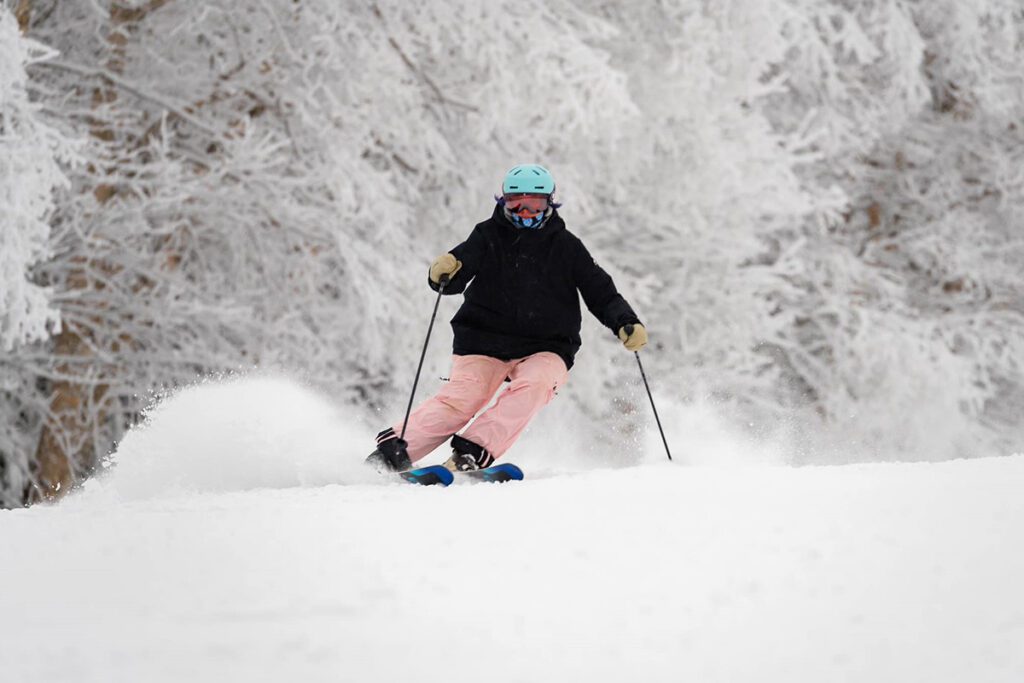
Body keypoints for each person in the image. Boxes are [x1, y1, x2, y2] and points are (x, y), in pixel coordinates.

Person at [366, 164, 647, 473]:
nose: (526, 212)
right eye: (517, 203)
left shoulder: (567, 247)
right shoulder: (487, 236)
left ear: (550, 204)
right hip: (483, 339)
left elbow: (601, 292)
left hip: (547, 345)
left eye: (535, 204)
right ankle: (390, 456)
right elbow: (455, 275)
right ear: (503, 202)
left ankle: (470, 452)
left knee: (537, 383)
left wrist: (624, 322)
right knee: (465, 397)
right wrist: (443, 272)